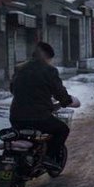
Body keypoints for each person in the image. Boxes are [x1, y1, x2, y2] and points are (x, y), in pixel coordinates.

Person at [9, 42, 74, 170]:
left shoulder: (19, 68)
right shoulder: (49, 70)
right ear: (46, 56)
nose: (50, 61)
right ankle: (48, 158)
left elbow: (12, 89)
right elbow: (59, 92)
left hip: (16, 117)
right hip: (39, 117)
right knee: (62, 129)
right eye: (50, 58)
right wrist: (66, 101)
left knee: (22, 134)